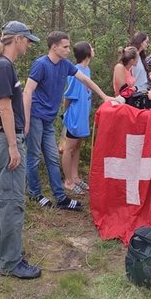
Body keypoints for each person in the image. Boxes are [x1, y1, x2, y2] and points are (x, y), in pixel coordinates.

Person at [23, 31, 116, 211]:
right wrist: (26, 120)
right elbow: (27, 92)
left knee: (51, 157)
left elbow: (85, 80)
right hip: (35, 118)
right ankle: (35, 194)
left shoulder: (65, 65)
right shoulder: (40, 65)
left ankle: (60, 197)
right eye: (65, 46)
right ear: (54, 47)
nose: (68, 50)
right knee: (34, 157)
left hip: (48, 120)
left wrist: (105, 97)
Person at [0, 20, 42, 279]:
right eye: (27, 39)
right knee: (12, 202)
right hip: (5, 141)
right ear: (16, 39)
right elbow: (4, 108)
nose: (29, 44)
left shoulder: (0, 65)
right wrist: (13, 146)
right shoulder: (4, 66)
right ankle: (10, 261)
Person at [61, 41, 94, 195]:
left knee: (78, 146)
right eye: (91, 48)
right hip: (75, 115)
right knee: (69, 148)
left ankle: (75, 177)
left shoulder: (88, 70)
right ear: (87, 53)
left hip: (83, 114)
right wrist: (66, 114)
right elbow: (68, 96)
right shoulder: (75, 72)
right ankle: (67, 180)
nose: (93, 50)